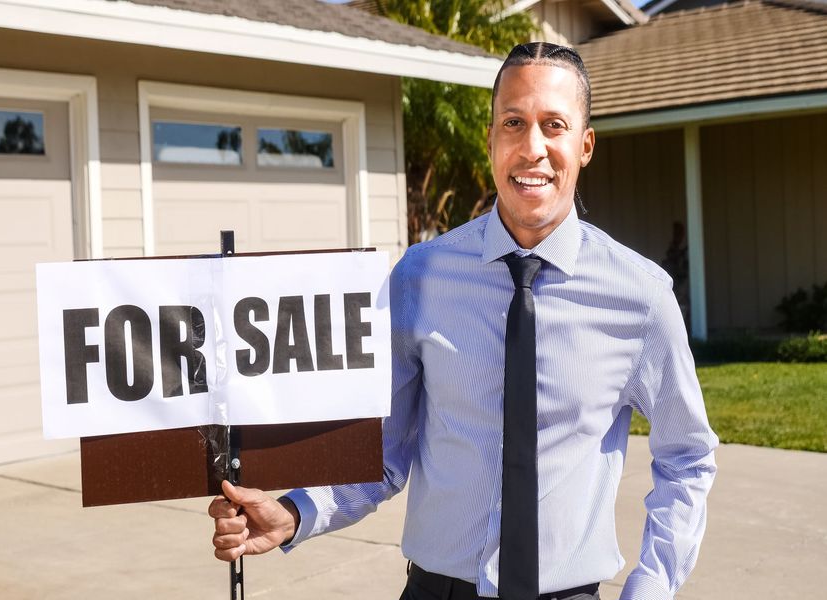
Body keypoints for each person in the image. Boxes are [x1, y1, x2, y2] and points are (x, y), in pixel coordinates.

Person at [209, 42, 718, 600]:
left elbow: (687, 455)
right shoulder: (420, 276)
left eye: (554, 125)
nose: (533, 148)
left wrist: (651, 586)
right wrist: (293, 513)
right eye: (514, 123)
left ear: (585, 144)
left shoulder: (640, 294)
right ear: (491, 139)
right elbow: (387, 450)